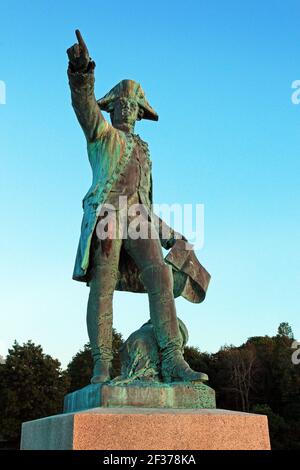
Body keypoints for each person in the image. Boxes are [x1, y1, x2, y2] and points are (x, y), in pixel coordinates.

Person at [67, 30, 208, 384]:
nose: (127, 110)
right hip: (107, 220)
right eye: (121, 104)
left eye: (133, 107)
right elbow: (84, 108)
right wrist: (82, 74)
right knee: (103, 282)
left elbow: (145, 203)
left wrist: (173, 236)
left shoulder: (144, 151)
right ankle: (101, 365)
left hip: (138, 220)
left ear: (139, 113)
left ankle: (173, 358)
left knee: (161, 273)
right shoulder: (102, 136)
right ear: (112, 108)